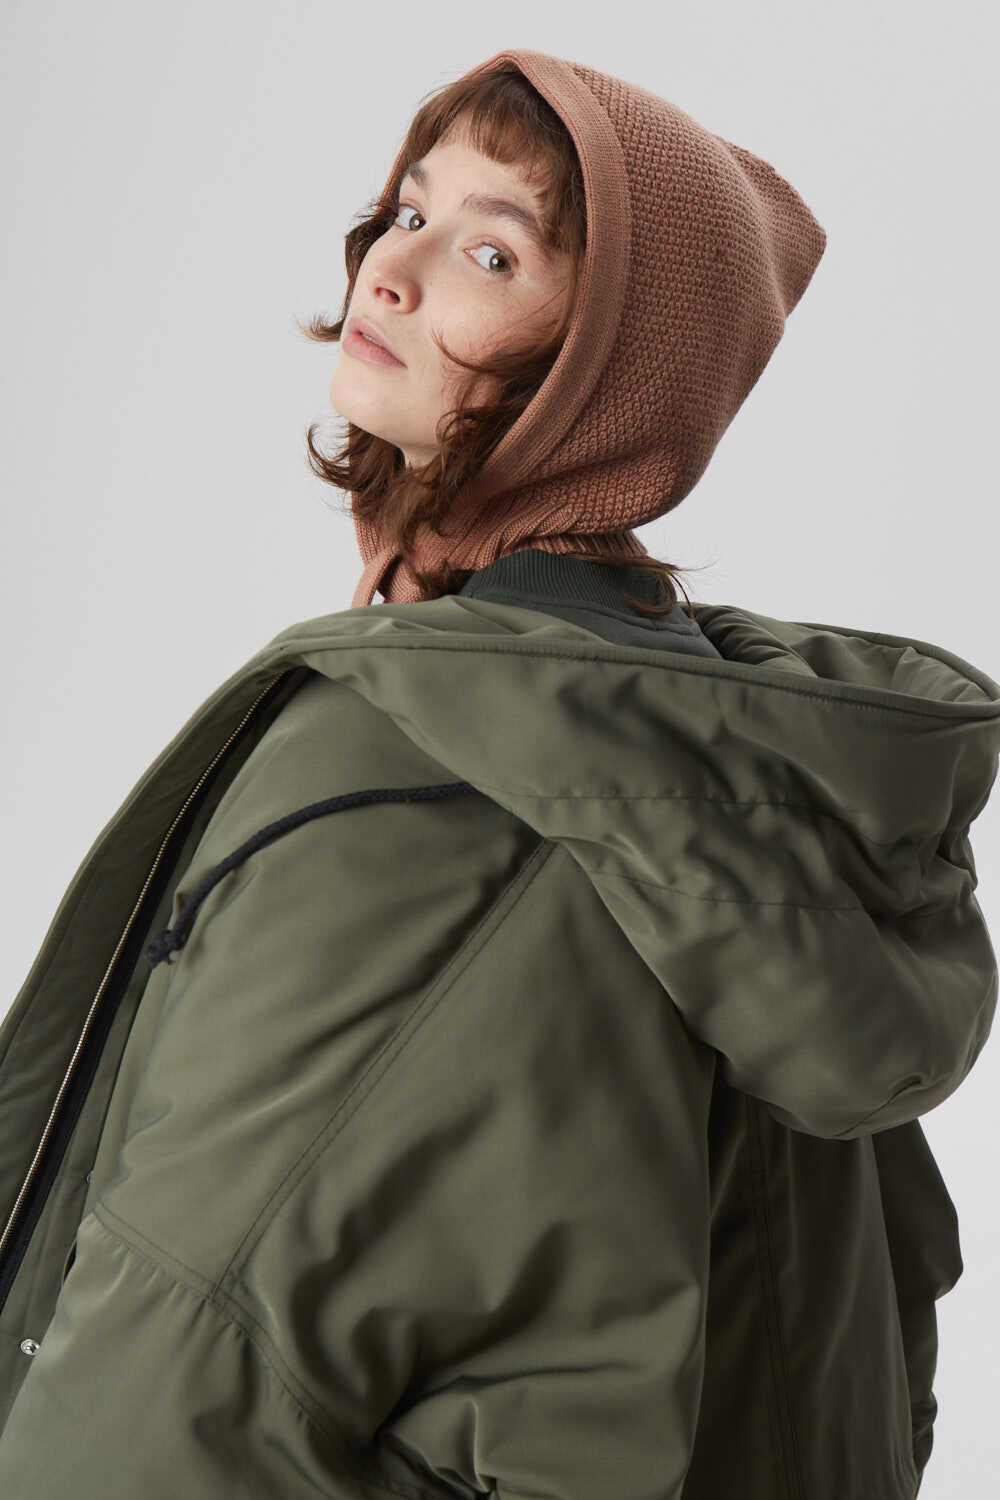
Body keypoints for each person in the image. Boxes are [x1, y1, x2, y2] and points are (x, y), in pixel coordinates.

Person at [0, 46, 997, 1500]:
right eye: (410, 209)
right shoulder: (731, 771)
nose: (393, 269)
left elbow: (172, 1377)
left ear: (603, 374)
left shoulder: (429, 759)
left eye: (492, 251)